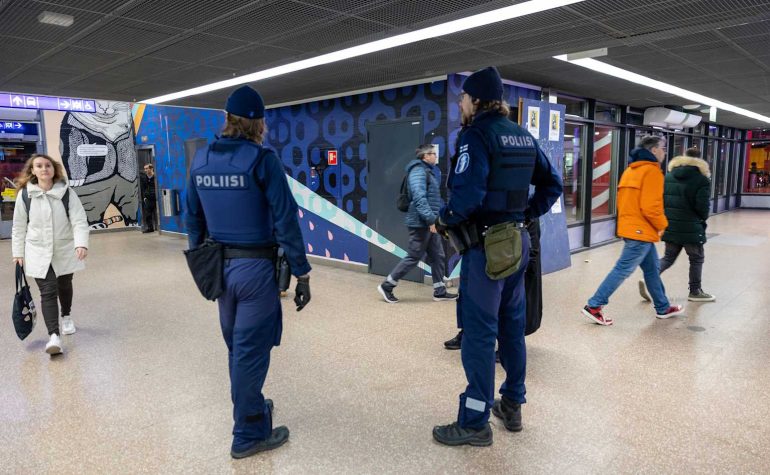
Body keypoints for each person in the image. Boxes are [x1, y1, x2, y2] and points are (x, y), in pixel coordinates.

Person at [431, 67, 562, 447]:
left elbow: (467, 197)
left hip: (486, 250)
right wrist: (525, 214)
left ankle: (474, 422)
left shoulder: (476, 135)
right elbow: (553, 183)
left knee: (479, 335)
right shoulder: (522, 135)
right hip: (518, 244)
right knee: (511, 330)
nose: (460, 104)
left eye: (462, 98)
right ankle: (512, 404)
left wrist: (444, 219)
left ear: (475, 100)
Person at [185, 85, 312, 459]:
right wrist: (302, 273)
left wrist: (202, 263)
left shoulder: (201, 159)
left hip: (219, 270)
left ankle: (251, 406)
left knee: (237, 349)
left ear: (226, 119)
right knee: (249, 353)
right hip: (255, 271)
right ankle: (248, 435)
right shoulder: (263, 161)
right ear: (259, 124)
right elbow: (286, 220)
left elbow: (192, 217)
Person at [581, 136, 685, 326]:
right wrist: (663, 224)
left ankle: (662, 307)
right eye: (663, 148)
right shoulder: (652, 171)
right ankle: (594, 305)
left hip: (631, 228)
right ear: (653, 150)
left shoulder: (630, 170)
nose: (664, 152)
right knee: (622, 269)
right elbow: (651, 207)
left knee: (652, 270)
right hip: (641, 231)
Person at [11, 154, 90, 355]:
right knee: (47, 291)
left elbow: (79, 220)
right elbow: (18, 226)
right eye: (39, 166)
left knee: (64, 284)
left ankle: (66, 316)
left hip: (64, 248)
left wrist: (81, 243)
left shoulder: (66, 193)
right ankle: (54, 336)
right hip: (37, 250)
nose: (44, 169)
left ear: (54, 169)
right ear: (33, 171)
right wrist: (17, 253)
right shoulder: (25, 195)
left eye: (48, 165)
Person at [444, 217, 542, 352]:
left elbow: (532, 237)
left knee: (505, 304)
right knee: (470, 297)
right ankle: (467, 333)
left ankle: (506, 346)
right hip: (481, 244)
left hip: (509, 244)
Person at [377, 144, 457, 303]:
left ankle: (439, 291)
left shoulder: (427, 171)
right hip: (421, 223)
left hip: (429, 221)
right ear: (425, 156)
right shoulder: (418, 172)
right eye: (433, 154)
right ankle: (387, 285)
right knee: (414, 256)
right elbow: (419, 198)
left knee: (438, 255)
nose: (435, 156)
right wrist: (430, 220)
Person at [639, 147, 714, 302]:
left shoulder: (669, 176)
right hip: (691, 226)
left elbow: (662, 200)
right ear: (700, 160)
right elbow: (702, 206)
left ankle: (649, 278)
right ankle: (695, 291)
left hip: (671, 224)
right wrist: (701, 219)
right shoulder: (702, 179)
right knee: (696, 258)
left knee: (668, 257)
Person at [140, 163, 157, 233]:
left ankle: (160, 227)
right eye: (144, 169)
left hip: (156, 197)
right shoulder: (144, 178)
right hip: (148, 198)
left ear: (151, 169)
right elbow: (143, 188)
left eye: (147, 168)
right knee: (148, 214)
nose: (145, 170)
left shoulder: (156, 176)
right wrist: (144, 197)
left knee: (157, 213)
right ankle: (150, 228)